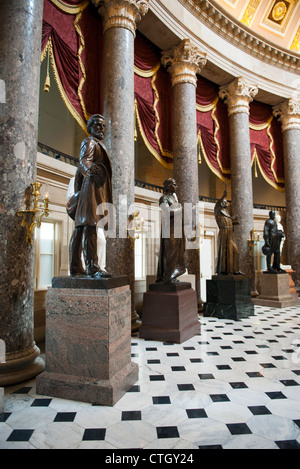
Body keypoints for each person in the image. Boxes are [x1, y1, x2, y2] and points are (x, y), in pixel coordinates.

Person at [67, 114, 112, 277]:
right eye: (98, 125)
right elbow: (84, 160)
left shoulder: (97, 143)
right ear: (91, 127)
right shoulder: (90, 141)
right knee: (90, 225)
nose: (101, 129)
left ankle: (75, 267)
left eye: (103, 126)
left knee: (81, 228)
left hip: (93, 187)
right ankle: (92, 266)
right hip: (90, 187)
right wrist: (90, 172)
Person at [155, 178, 186, 283]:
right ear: (168, 185)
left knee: (177, 253)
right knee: (170, 251)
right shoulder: (163, 198)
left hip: (177, 229)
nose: (176, 186)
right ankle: (167, 277)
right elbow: (167, 211)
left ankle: (173, 275)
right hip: (169, 229)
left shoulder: (174, 198)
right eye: (174, 184)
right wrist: (179, 209)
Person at [214, 190, 240, 275]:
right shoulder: (218, 211)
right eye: (224, 202)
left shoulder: (227, 213)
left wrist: (235, 222)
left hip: (229, 233)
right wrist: (223, 196)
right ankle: (224, 270)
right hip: (223, 233)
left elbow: (229, 222)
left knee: (235, 251)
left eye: (226, 202)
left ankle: (234, 270)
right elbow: (217, 205)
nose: (225, 203)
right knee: (224, 251)